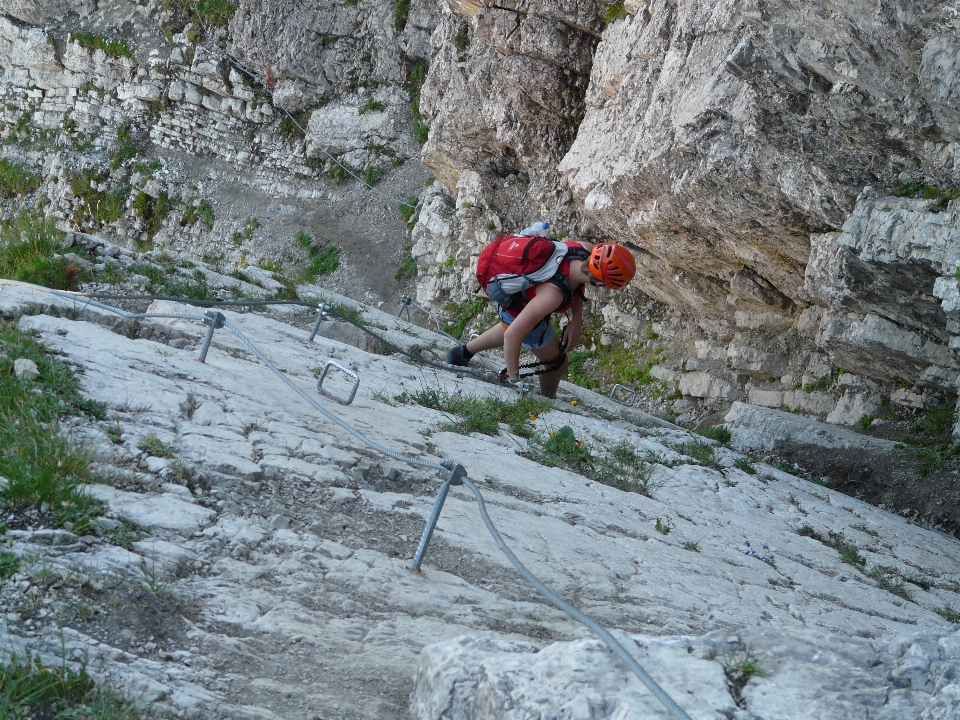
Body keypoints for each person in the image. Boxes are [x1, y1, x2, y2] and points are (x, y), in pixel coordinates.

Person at [446, 241, 636, 398]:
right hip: (514, 305)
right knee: (557, 363)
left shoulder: (582, 249)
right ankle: (547, 400)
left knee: (521, 325)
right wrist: (515, 381)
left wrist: (576, 320)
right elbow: (513, 334)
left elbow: (580, 281)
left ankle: (462, 353)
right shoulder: (552, 296)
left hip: (514, 293)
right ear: (602, 283)